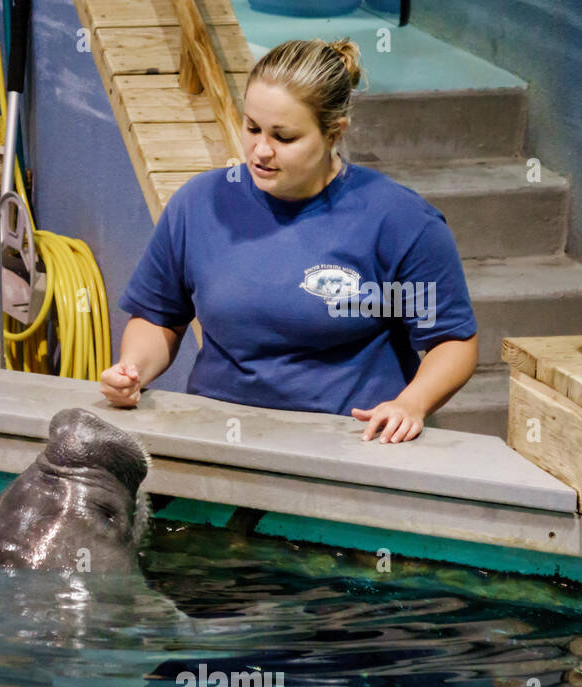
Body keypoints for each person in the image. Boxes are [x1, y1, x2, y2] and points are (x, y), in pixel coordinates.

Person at [99, 38, 478, 443]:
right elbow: (159, 316)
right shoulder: (199, 204)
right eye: (252, 128)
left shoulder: (399, 220)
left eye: (284, 137)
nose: (261, 150)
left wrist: (412, 402)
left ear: (333, 132)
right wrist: (132, 369)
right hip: (218, 437)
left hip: (351, 444)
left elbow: (452, 341)